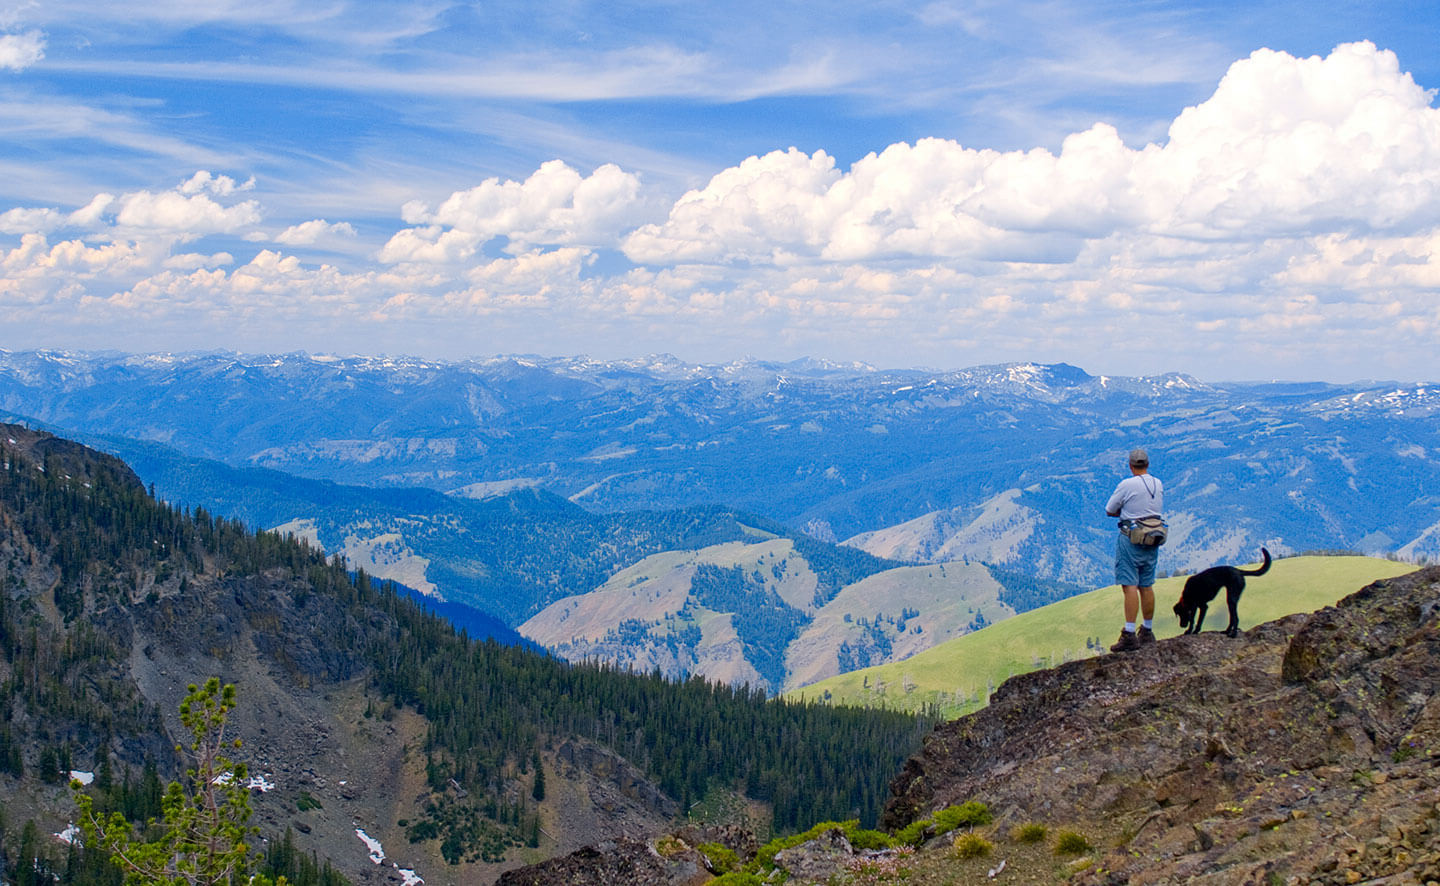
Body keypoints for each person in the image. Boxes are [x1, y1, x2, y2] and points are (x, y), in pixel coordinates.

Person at [1105, 448, 1163, 652]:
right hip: (1153, 537)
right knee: (1146, 584)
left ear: (1131, 465)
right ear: (1147, 464)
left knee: (1129, 585)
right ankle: (1147, 631)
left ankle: (1129, 634)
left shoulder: (1127, 484)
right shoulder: (1158, 483)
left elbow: (1110, 509)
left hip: (1131, 538)